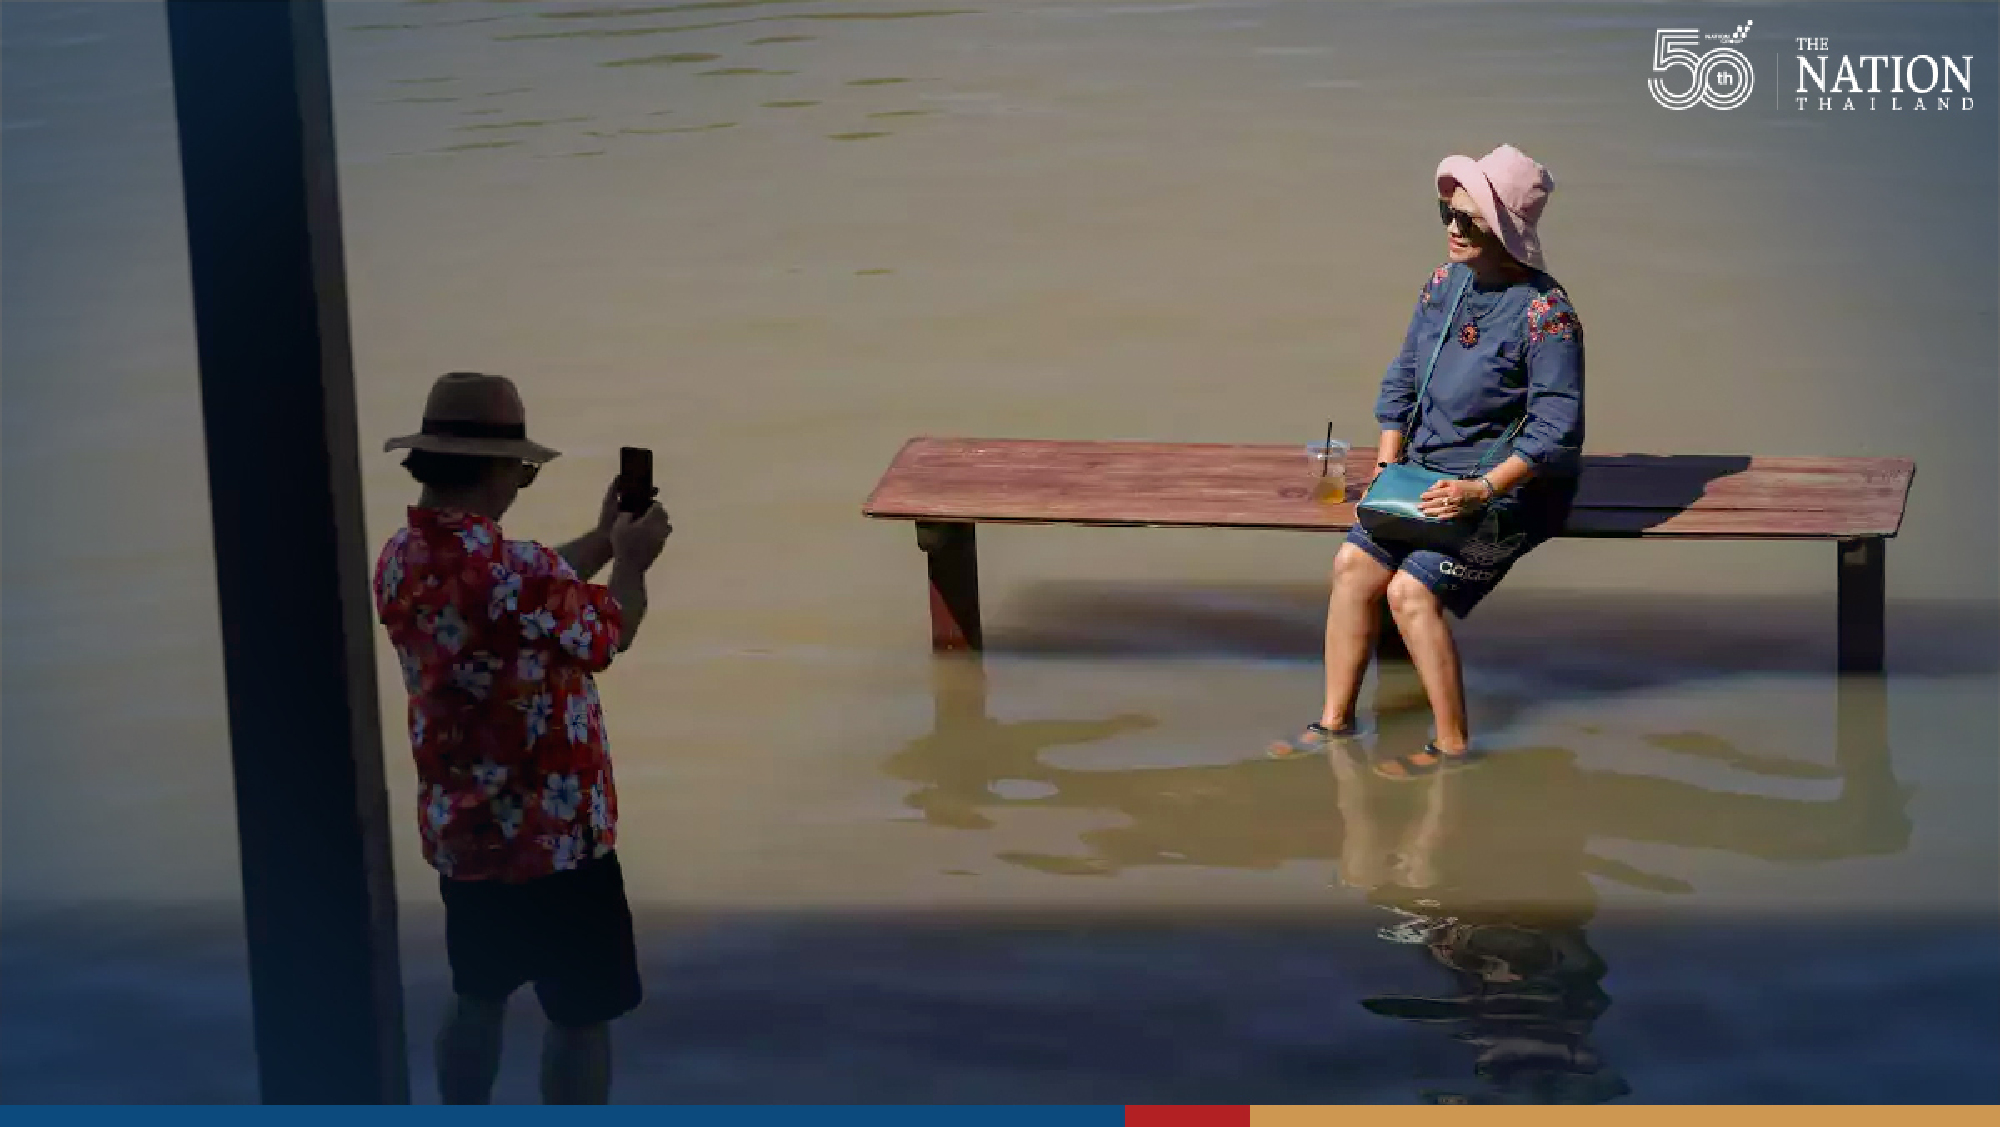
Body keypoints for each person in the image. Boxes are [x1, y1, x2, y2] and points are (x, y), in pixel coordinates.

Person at [372, 371, 672, 1104]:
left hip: (464, 832)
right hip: (559, 841)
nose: (520, 484)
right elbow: (611, 630)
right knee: (578, 1017)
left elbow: (522, 593)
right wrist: (630, 560)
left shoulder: (399, 561)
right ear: (497, 471)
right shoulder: (519, 572)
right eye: (523, 470)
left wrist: (603, 537)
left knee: (478, 994)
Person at [1271, 144, 1585, 778]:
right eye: (1447, 211)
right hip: (1422, 472)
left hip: (1511, 492)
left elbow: (1558, 430)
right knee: (1353, 567)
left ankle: (1453, 745)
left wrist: (1480, 491)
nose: (1452, 227)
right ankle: (1335, 723)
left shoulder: (1547, 316)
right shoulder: (1444, 284)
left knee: (1412, 593)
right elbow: (1404, 377)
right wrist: (1389, 464)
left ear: (1504, 231)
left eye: (1469, 219)